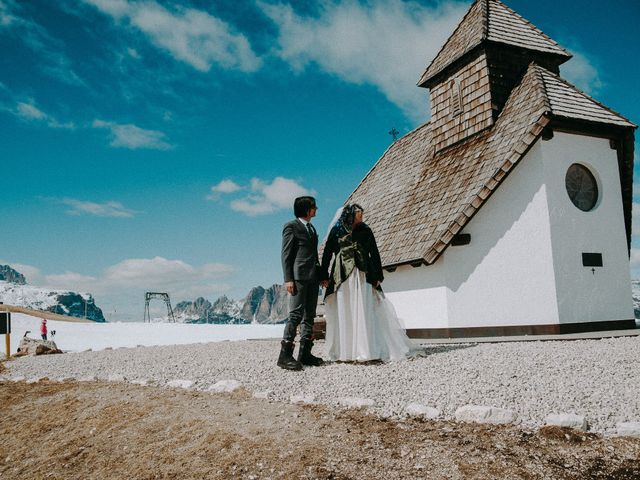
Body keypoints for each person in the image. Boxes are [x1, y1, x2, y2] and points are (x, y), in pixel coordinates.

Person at [320, 204, 415, 362]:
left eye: (362, 215)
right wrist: (323, 274)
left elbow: (374, 252)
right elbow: (328, 252)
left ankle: (366, 349)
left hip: (363, 272)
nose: (362, 218)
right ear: (350, 215)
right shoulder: (337, 230)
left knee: (364, 307)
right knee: (346, 308)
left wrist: (378, 274)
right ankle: (346, 351)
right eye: (359, 215)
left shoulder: (366, 229)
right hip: (342, 274)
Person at [278, 196, 324, 370]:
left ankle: (305, 354)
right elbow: (286, 255)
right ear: (306, 209)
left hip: (312, 278)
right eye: (313, 207)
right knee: (296, 315)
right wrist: (288, 279)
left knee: (309, 315)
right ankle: (285, 356)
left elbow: (315, 256)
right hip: (298, 278)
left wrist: (321, 276)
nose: (316, 209)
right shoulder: (291, 226)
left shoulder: (311, 228)